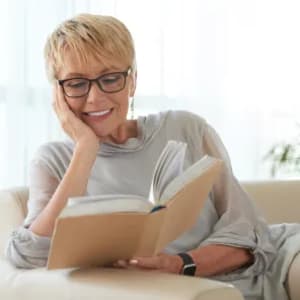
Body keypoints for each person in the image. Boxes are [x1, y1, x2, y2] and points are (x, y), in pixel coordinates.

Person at [5, 13, 300, 300]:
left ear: (132, 81)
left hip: (259, 268)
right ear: (58, 93)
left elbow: (249, 230)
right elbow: (28, 254)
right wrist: (85, 149)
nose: (94, 97)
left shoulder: (186, 128)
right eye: (76, 83)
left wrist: (180, 264)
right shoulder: (53, 160)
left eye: (110, 78)